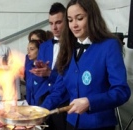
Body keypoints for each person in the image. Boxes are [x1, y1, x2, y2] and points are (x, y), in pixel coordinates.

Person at [41, 0, 131, 130]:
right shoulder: (68, 48)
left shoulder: (109, 46)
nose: (74, 25)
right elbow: (59, 89)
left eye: (79, 18)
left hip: (99, 125)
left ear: (92, 17)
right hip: (71, 124)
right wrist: (40, 111)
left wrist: (90, 102)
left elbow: (121, 91)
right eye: (70, 20)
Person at [29, 3, 69, 130]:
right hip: (43, 95)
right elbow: (40, 77)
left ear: (66, 21)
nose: (54, 27)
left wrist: (49, 73)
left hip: (64, 100)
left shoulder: (73, 45)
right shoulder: (45, 46)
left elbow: (69, 77)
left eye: (58, 22)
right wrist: (39, 70)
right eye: (51, 23)